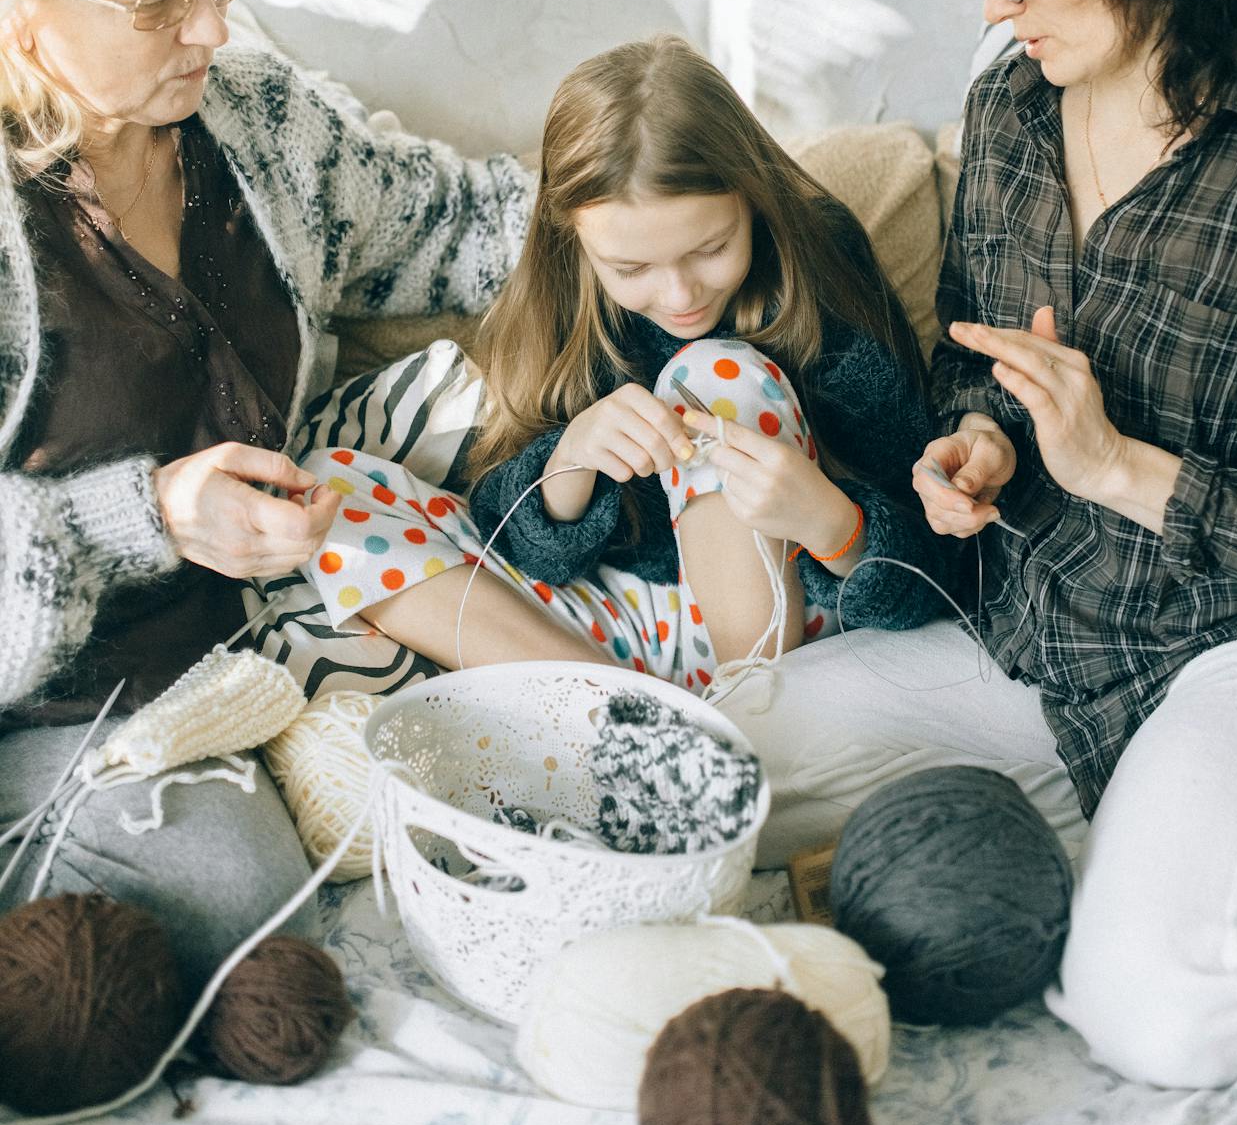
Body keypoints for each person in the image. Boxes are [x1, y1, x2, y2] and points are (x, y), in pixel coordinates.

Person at [712, 0, 1237, 1090]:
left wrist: (1125, 470)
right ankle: (1135, 836)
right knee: (696, 767)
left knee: (1159, 1020)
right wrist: (977, 444)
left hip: (1236, 651)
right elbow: (985, 361)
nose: (989, 2)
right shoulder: (1018, 111)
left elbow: (1127, 468)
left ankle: (1172, 854)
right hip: (1028, 634)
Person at [0, 0, 532, 1051]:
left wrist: (664, 205)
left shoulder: (258, 124)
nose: (211, 23)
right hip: (40, 688)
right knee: (235, 899)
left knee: (252, 896)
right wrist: (148, 516)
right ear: (27, 25)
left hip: (212, 670)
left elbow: (463, 228)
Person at [296, 35, 946, 692]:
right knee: (323, 494)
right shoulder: (568, 292)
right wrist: (568, 465)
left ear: (753, 201)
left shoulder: (820, 262)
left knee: (714, 371)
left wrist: (832, 523)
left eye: (711, 248)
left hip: (793, 623)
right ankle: (641, 714)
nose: (680, 295)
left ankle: (750, 701)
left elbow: (936, 562)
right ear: (576, 239)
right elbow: (513, 536)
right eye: (631, 268)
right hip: (614, 628)